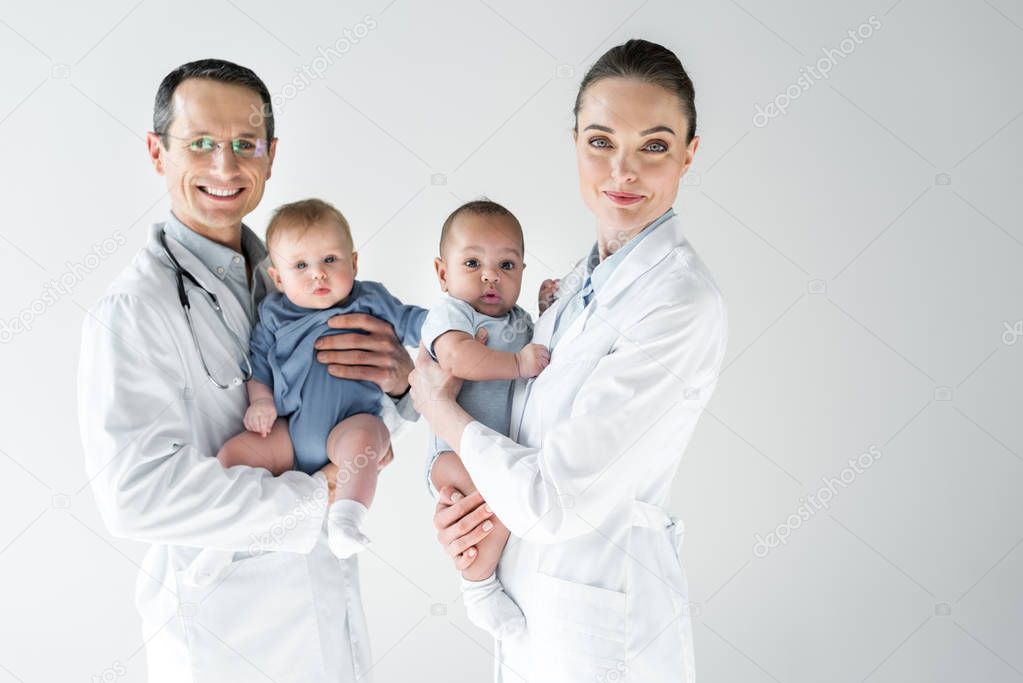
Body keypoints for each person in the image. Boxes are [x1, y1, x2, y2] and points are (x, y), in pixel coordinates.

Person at [77, 59, 416, 682]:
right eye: (200, 143)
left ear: (271, 155)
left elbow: (337, 410)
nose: (225, 167)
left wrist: (400, 385)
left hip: (327, 613)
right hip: (223, 636)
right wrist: (319, 498)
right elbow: (134, 496)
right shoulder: (133, 309)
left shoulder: (301, 280)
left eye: (244, 145)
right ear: (157, 152)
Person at [410, 39, 727, 682]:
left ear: (689, 154)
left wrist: (440, 413)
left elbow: (552, 499)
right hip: (537, 609)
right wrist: (469, 516)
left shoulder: (679, 302)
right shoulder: (571, 291)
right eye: (601, 141)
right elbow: (521, 443)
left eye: (655, 146)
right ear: (576, 143)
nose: (623, 171)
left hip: (604, 631)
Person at [217, 197, 427, 558]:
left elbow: (414, 323)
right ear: (278, 279)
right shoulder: (273, 314)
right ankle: (217, 547)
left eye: (330, 259)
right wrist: (262, 401)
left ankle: (346, 520)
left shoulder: (370, 300)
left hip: (347, 427)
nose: (318, 273)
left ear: (354, 262)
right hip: (288, 434)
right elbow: (258, 363)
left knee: (367, 440)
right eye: (301, 265)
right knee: (232, 456)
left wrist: (451, 330)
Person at [421, 199, 550, 638]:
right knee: (491, 498)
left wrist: (549, 310)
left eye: (506, 264)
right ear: (443, 273)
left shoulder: (520, 321)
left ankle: (486, 577)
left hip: (499, 451)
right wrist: (517, 364)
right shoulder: (452, 314)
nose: (490, 276)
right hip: (451, 454)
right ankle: (477, 588)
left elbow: (545, 358)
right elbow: (458, 357)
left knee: (500, 502)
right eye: (472, 262)